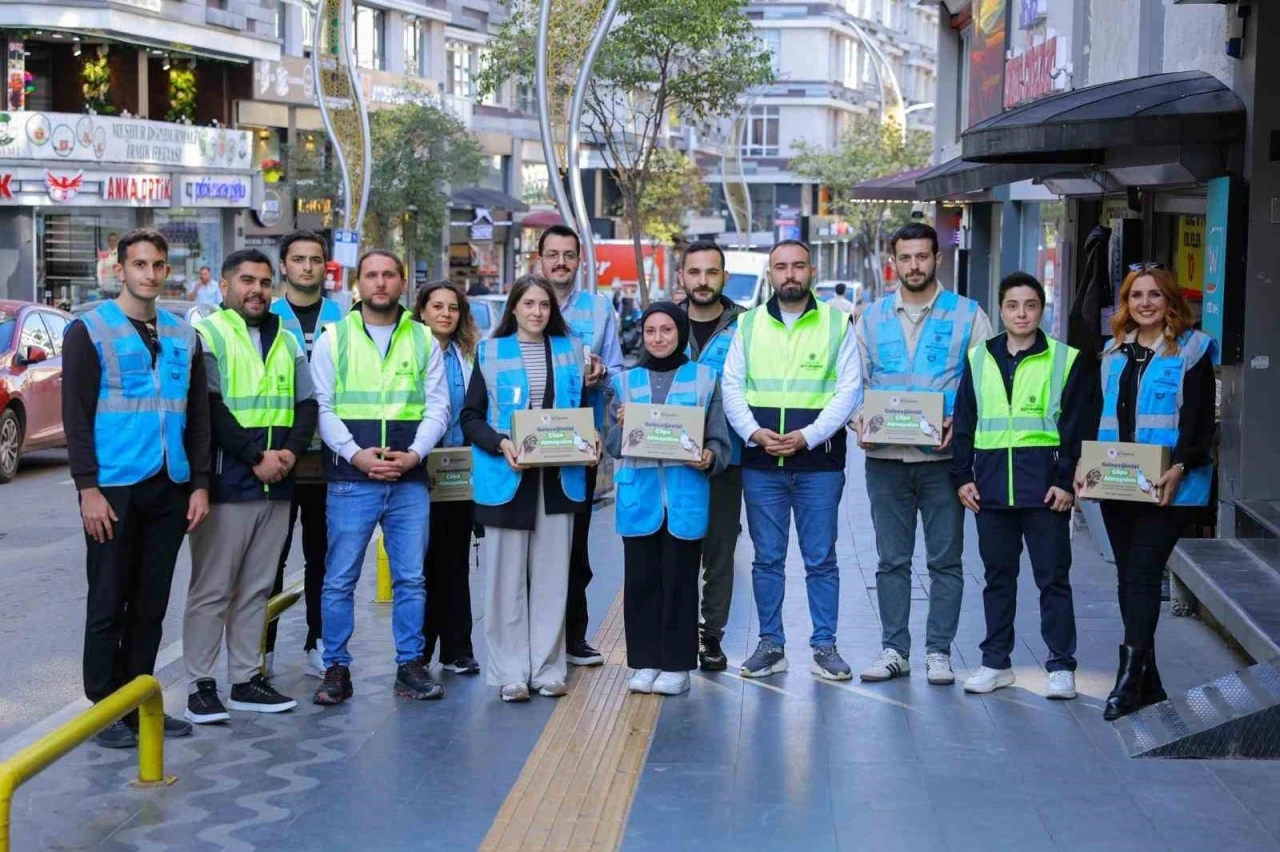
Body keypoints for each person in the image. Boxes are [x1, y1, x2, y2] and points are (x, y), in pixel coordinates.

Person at [61, 228, 211, 748]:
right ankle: (105, 710)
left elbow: (196, 416)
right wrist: (88, 489)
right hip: (114, 488)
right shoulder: (89, 329)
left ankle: (138, 703)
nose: (149, 273)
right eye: (139, 264)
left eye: (158, 265)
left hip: (169, 487)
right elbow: (75, 417)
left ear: (168, 271)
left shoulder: (182, 334)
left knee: (151, 604)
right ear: (119, 270)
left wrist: (199, 485)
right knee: (108, 601)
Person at [309, 250, 450, 706]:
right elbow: (323, 407)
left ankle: (411, 665)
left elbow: (438, 408)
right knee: (339, 579)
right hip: (352, 479)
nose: (380, 283)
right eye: (371, 275)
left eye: (389, 274)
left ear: (403, 281)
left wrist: (412, 456)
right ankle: (336, 668)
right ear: (358, 283)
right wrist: (356, 456)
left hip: (408, 481)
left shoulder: (423, 338)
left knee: (412, 579)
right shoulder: (335, 337)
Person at [182, 250, 317, 724]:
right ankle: (200, 685)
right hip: (228, 481)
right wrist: (257, 457)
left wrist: (289, 456)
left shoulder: (288, 338)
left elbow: (307, 405)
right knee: (212, 589)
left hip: (277, 483)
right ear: (224, 286)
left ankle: (244, 679)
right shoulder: (209, 333)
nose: (256, 289)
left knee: (257, 589)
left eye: (263, 282)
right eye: (246, 280)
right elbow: (210, 407)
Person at [855, 222, 992, 686]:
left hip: (944, 464)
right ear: (894, 261)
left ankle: (938, 652)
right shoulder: (870, 317)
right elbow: (854, 382)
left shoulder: (968, 316)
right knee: (891, 561)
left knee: (945, 562)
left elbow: (985, 387)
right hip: (886, 459)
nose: (914, 265)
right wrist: (860, 420)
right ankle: (895, 649)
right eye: (905, 257)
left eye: (922, 256)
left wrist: (962, 427)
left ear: (938, 259)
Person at [1078, 263, 1216, 721]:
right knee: (1127, 575)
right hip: (1120, 482)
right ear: (1126, 303)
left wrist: (1179, 465)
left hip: (1170, 486)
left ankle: (1128, 676)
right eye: (1136, 295)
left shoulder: (1193, 350)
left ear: (1170, 300)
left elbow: (1199, 423)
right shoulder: (1112, 352)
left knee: (1141, 573)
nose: (1145, 303)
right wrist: (1085, 463)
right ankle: (1149, 680)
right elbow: (1098, 417)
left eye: (1155, 295)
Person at [720, 239, 863, 680]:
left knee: (821, 558)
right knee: (766, 559)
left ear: (811, 270)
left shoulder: (838, 324)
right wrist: (752, 433)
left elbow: (848, 391)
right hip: (761, 462)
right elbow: (731, 387)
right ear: (770, 273)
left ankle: (824, 647)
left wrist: (807, 436)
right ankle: (771, 644)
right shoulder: (747, 326)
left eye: (797, 266)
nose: (789, 275)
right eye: (780, 267)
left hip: (819, 463)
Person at [950, 272, 1086, 700]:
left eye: (1030, 305)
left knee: (1053, 580)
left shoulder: (1065, 359)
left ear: (1041, 309)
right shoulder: (978, 359)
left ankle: (1061, 666)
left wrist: (1066, 482)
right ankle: (995, 663)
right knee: (997, 579)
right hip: (990, 490)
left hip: (1045, 491)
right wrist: (962, 477)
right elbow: (965, 422)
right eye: (1012, 305)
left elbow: (1075, 427)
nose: (1022, 313)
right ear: (1002, 310)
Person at [460, 275, 593, 702]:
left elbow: (583, 412)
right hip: (507, 478)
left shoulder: (571, 351)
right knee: (504, 579)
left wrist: (594, 440)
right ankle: (510, 672)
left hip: (559, 479)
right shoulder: (490, 352)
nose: (537, 312)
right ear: (513, 308)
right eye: (529, 303)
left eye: (544, 305)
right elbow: (471, 417)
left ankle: (549, 669)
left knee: (554, 577)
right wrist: (500, 443)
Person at [607, 303, 730, 695]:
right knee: (641, 582)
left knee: (680, 582)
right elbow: (611, 444)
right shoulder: (625, 384)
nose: (658, 338)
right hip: (639, 499)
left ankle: (677, 666)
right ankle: (644, 661)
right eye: (650, 331)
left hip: (684, 496)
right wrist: (623, 424)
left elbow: (718, 439)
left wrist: (710, 456)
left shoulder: (706, 380)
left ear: (680, 333)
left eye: (667, 330)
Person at [538, 224, 621, 667]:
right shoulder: (526, 302)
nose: (561, 262)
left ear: (579, 261)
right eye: (553, 254)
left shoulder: (599, 309)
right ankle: (536, 638)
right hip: (530, 444)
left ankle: (574, 636)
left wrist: (602, 372)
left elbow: (618, 370)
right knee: (532, 541)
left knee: (575, 543)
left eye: (569, 255)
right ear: (540, 259)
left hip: (578, 445)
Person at [266, 231, 346, 679]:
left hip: (332, 462)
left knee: (324, 558)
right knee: (269, 562)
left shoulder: (344, 318)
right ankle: (265, 648)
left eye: (315, 260)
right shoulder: (266, 315)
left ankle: (318, 642)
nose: (307, 268)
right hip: (281, 459)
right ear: (284, 266)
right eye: (298, 260)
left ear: (325, 266)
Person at [679, 240, 747, 671]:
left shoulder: (746, 326)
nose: (702, 281)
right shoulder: (664, 322)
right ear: (681, 277)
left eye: (711, 272)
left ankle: (712, 637)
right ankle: (680, 631)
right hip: (670, 459)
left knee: (720, 553)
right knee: (680, 549)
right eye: (694, 272)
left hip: (729, 457)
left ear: (724, 276)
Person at [415, 280, 481, 675]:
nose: (444, 313)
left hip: (460, 473)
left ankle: (458, 649)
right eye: (436, 306)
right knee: (419, 565)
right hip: (415, 471)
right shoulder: (409, 351)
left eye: (452, 308)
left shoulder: (469, 355)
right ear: (421, 310)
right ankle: (417, 652)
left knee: (454, 561)